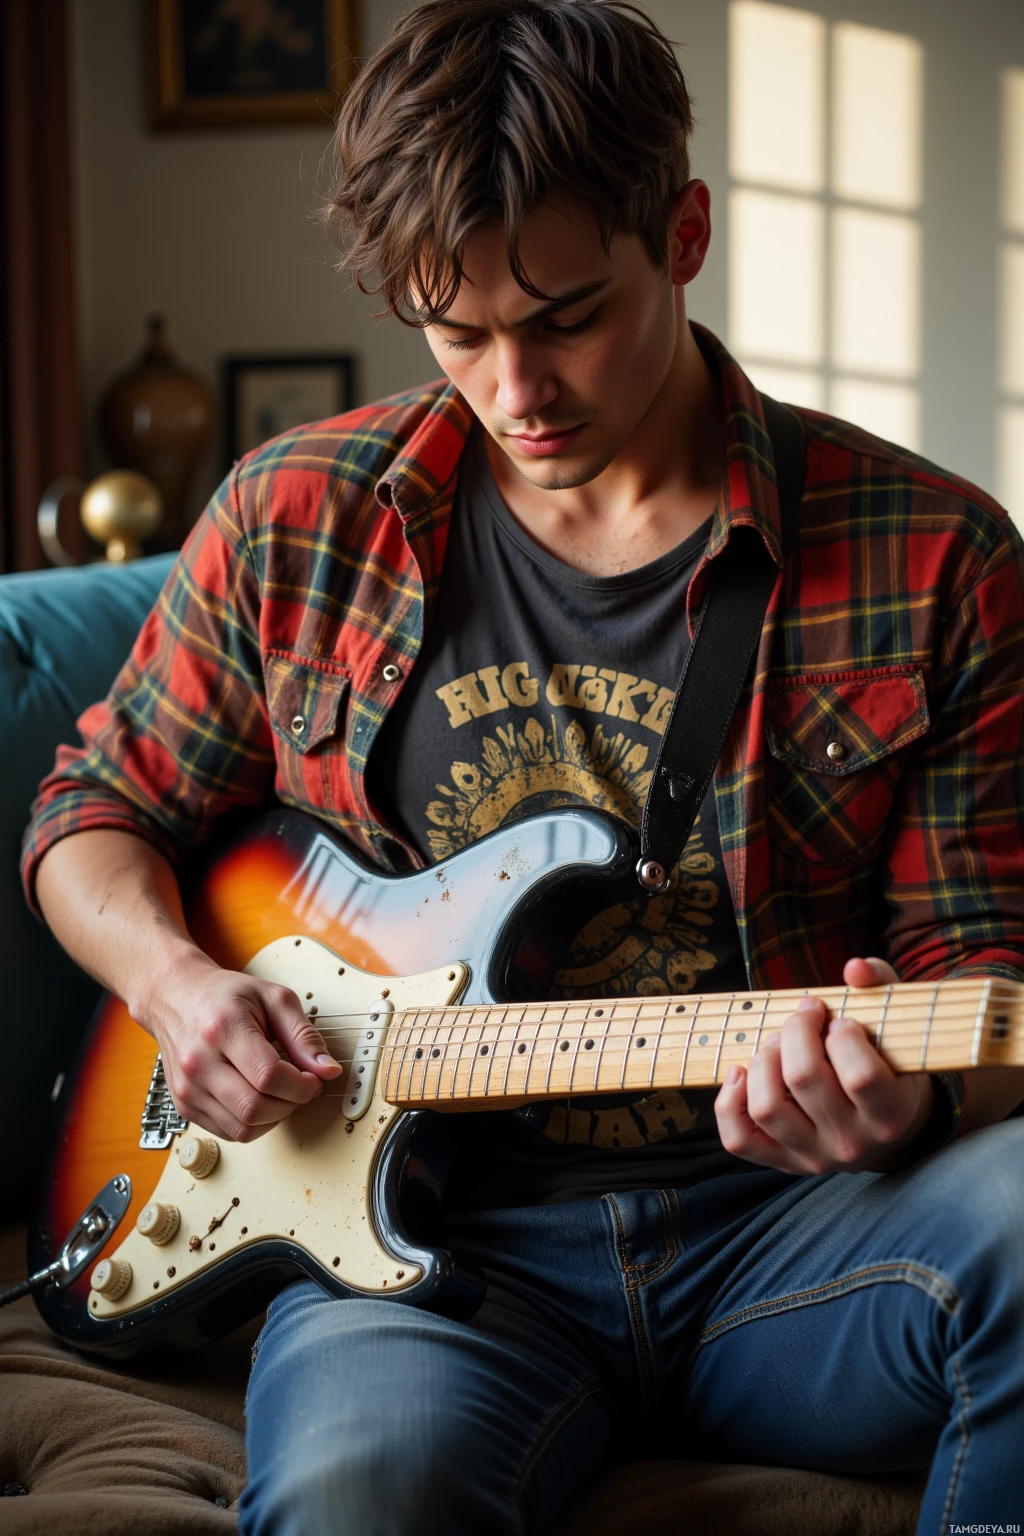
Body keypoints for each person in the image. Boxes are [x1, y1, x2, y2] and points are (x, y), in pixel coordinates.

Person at [21, 1, 1024, 1531]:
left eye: (566, 317)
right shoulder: (297, 517)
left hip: (803, 1231)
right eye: (458, 332)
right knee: (359, 1494)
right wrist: (177, 988)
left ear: (683, 235)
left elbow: (983, 971)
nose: (515, 390)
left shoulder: (936, 555)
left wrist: (912, 1110)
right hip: (430, 1265)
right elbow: (95, 812)